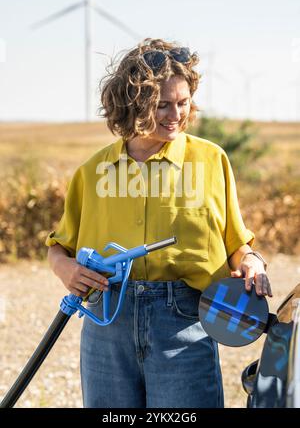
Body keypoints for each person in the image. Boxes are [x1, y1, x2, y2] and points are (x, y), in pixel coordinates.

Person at [46, 38, 272, 408]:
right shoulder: (95, 170)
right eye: (162, 105)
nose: (175, 115)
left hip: (184, 319)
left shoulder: (210, 161)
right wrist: (65, 269)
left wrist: (251, 262)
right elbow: (59, 246)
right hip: (107, 319)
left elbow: (237, 245)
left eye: (183, 103)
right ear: (131, 105)